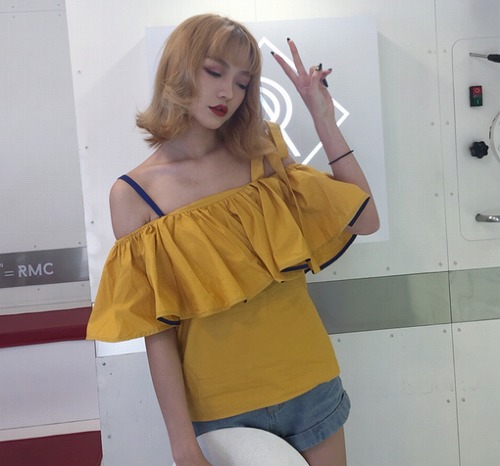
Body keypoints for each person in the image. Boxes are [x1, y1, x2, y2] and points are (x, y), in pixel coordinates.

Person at [86, 13, 379, 466]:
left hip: (308, 380)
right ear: (179, 69)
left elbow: (365, 218)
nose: (228, 92)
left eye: (242, 82)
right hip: (221, 407)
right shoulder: (133, 196)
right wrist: (182, 446)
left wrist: (323, 118)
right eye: (214, 72)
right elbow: (157, 333)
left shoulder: (261, 153)